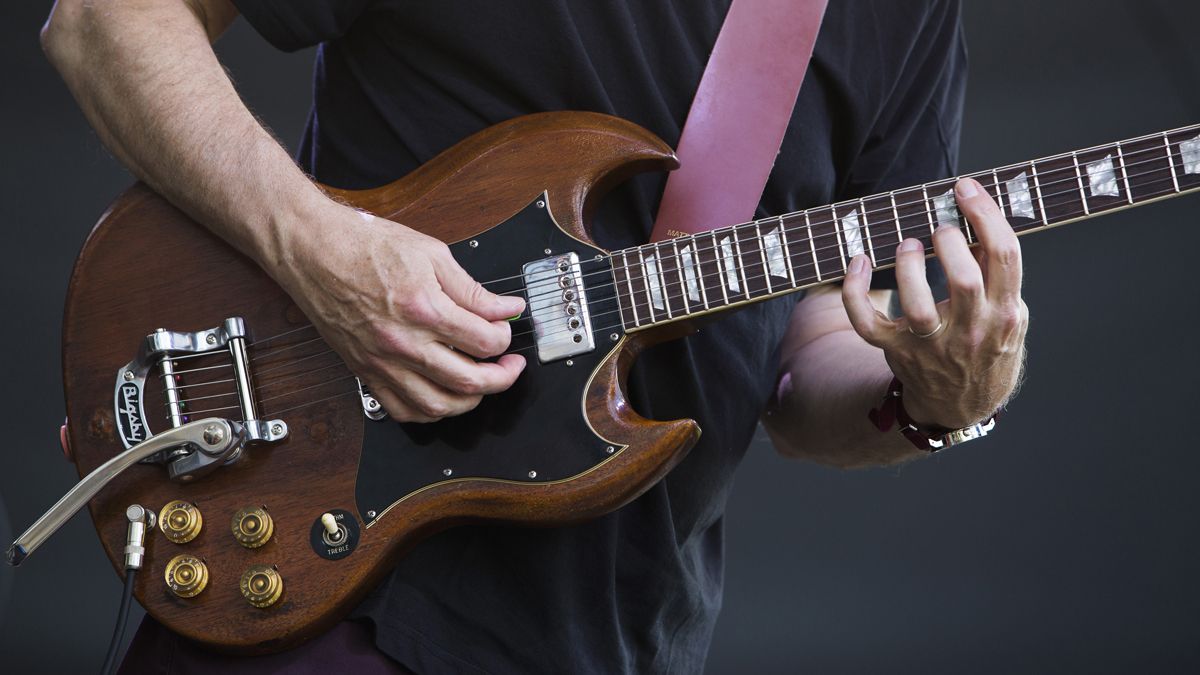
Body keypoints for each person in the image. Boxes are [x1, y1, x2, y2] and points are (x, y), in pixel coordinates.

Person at [40, 0, 1027, 672]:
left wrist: (940, 401)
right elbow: (104, 22)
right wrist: (317, 250)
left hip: (623, 631)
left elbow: (814, 363)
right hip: (330, 579)